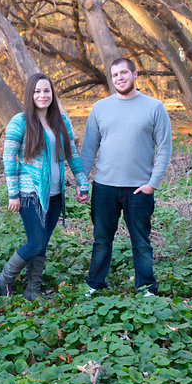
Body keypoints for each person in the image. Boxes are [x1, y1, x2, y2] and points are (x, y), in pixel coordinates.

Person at [78, 57, 172, 296]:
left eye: (123, 73)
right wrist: (82, 181)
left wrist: (152, 184)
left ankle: (146, 287)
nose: (119, 78)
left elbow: (164, 148)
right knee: (101, 240)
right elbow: (89, 148)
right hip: (104, 187)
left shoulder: (154, 107)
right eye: (115, 75)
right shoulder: (100, 108)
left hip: (139, 189)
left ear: (134, 74)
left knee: (141, 241)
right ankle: (95, 284)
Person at [0, 73, 89, 300]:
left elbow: (71, 154)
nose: (42, 95)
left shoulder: (61, 121)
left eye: (46, 90)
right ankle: (4, 278)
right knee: (36, 243)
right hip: (30, 194)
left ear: (52, 93)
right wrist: (13, 194)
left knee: (42, 243)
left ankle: (32, 290)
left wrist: (82, 181)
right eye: (37, 91)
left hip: (55, 194)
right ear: (30, 94)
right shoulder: (20, 121)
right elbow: (9, 158)